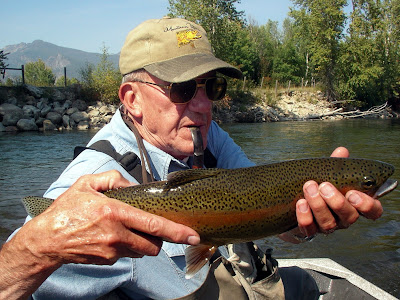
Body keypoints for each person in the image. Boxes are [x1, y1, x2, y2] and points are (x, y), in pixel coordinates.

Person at [0, 17, 383, 300]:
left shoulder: (200, 132)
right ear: (132, 99)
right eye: (182, 89)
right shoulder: (98, 177)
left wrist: (302, 221)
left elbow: (260, 203)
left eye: (212, 87)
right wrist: (36, 248)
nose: (203, 105)